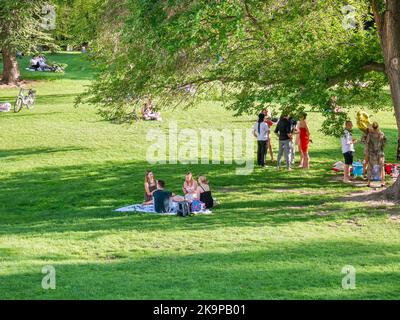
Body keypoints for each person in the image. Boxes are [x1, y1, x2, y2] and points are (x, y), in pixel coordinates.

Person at [366, 122, 387, 187]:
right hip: (380, 153)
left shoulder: (370, 134)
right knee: (382, 167)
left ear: (372, 127)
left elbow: (367, 143)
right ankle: (382, 182)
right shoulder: (381, 134)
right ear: (378, 127)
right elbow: (384, 142)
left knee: (370, 167)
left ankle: (368, 182)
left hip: (372, 153)